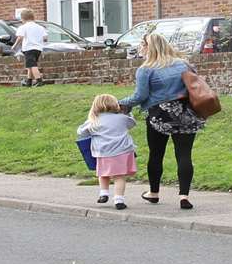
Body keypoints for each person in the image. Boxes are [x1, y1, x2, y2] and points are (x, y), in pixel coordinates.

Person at [121, 32, 202, 209]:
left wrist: (120, 103)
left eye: (142, 46)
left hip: (159, 114)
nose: (140, 49)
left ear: (147, 47)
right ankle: (184, 196)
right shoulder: (183, 64)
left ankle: (154, 193)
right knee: (184, 154)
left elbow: (140, 96)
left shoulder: (146, 69)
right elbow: (196, 83)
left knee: (156, 154)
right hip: (185, 112)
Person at [76, 94, 136, 210]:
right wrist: (127, 112)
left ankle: (104, 193)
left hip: (103, 152)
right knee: (119, 177)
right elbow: (132, 123)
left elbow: (81, 132)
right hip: (121, 152)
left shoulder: (94, 121)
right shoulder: (122, 119)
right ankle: (119, 200)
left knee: (103, 174)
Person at [15, 9, 49, 86]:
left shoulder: (23, 27)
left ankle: (39, 81)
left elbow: (20, 37)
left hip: (28, 48)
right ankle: (29, 81)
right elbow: (45, 38)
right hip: (38, 49)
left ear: (23, 18)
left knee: (32, 65)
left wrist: (14, 45)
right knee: (30, 65)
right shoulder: (40, 27)